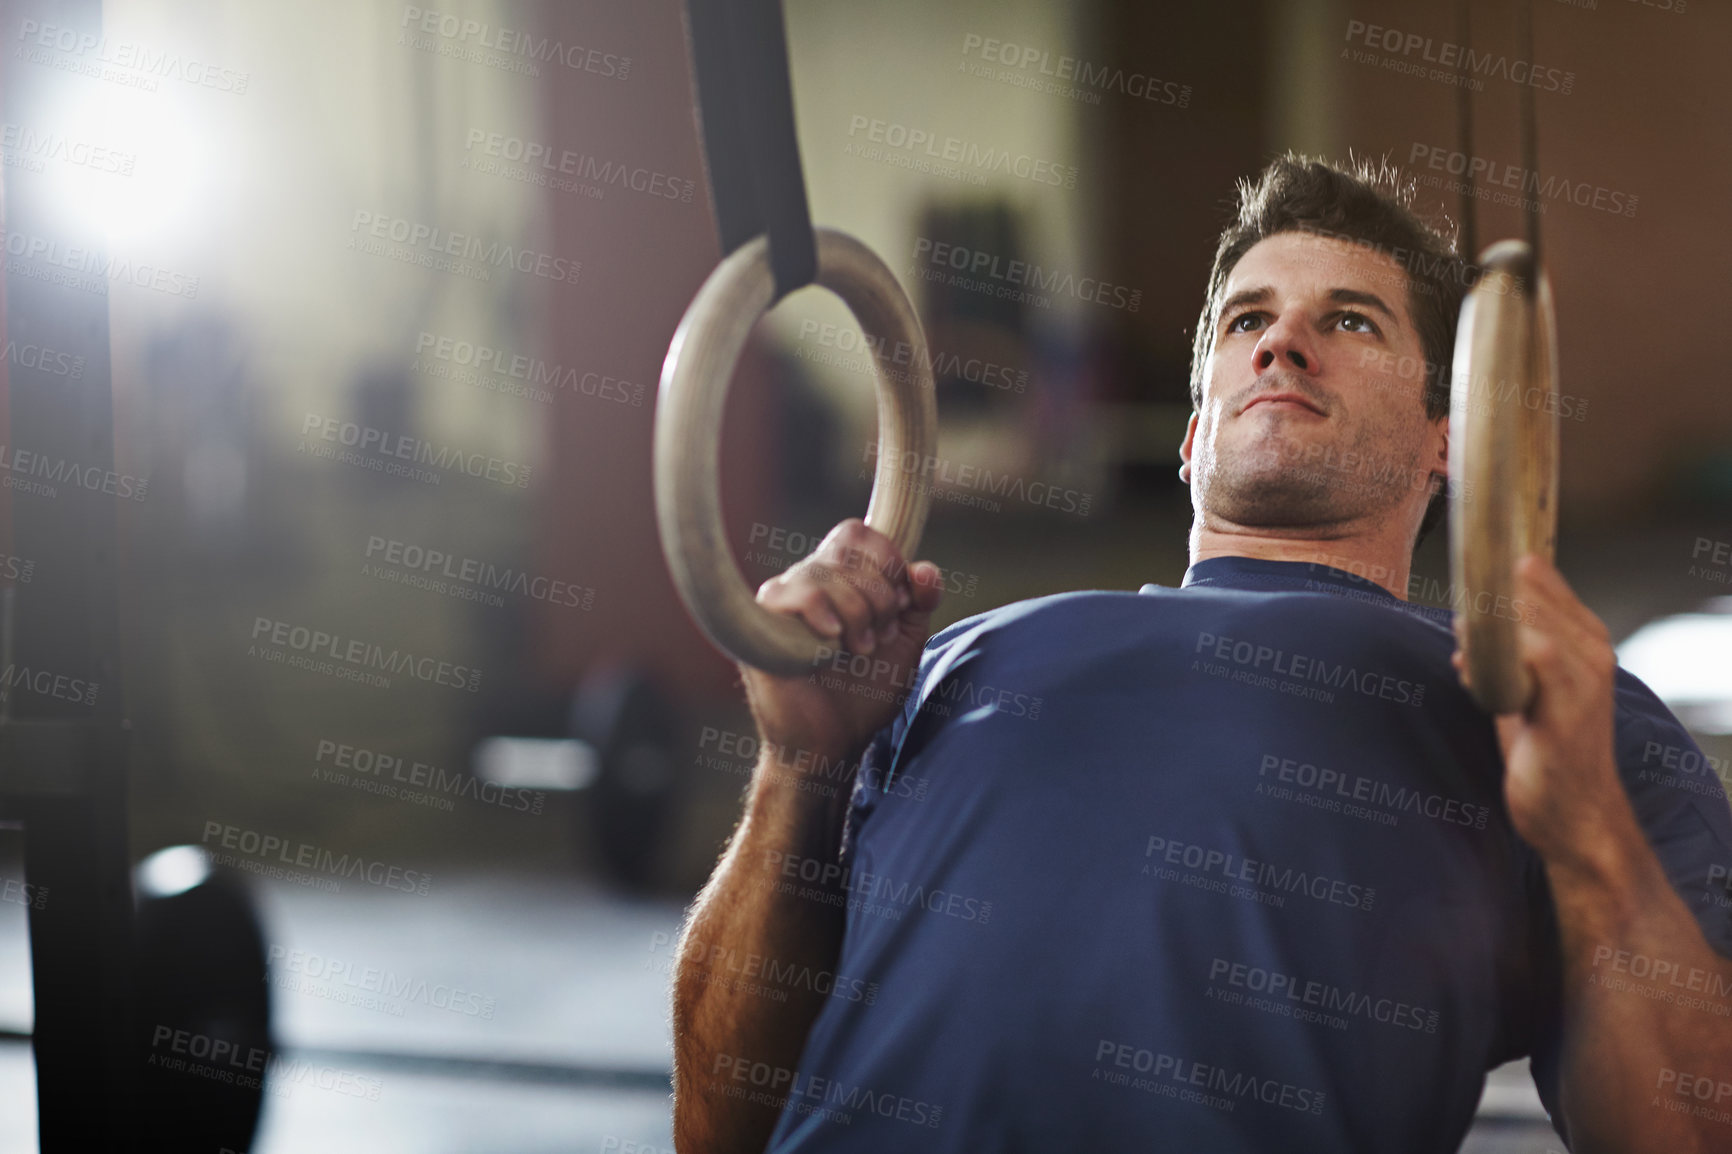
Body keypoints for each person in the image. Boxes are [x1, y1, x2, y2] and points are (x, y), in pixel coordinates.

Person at [669, 154, 1732, 1153]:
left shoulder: (1536, 699)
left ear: (1448, 438)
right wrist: (799, 772)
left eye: (1348, 320)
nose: (1281, 344)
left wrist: (1592, 837)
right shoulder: (942, 661)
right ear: (1190, 440)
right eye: (1247, 320)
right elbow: (718, 1125)